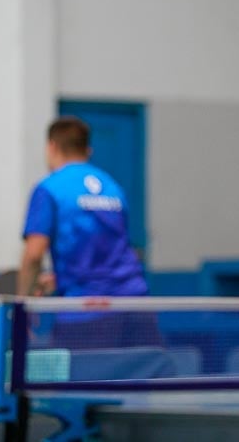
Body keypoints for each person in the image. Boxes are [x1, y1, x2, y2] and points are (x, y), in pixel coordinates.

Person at [18, 116, 154, 349]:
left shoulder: (49, 189)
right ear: (87, 150)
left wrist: (21, 307)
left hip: (86, 313)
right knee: (137, 381)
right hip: (136, 307)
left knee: (80, 385)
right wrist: (62, 279)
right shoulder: (113, 187)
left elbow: (33, 256)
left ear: (51, 146)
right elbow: (113, 250)